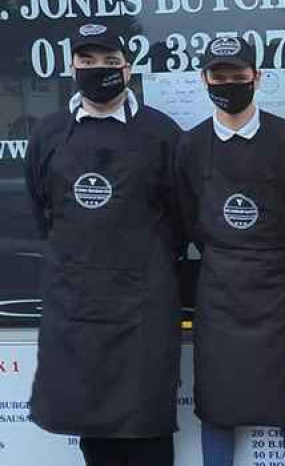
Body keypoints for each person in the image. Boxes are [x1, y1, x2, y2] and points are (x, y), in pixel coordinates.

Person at [23, 23, 182, 466]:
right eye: (87, 61)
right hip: (79, 307)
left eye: (109, 61)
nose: (98, 70)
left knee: (147, 426)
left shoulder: (161, 132)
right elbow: (42, 211)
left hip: (144, 307)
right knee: (95, 430)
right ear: (72, 67)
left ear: (127, 68)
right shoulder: (50, 135)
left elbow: (182, 215)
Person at [174, 37, 285, 466]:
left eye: (239, 76)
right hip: (219, 294)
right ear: (204, 79)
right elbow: (188, 218)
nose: (229, 83)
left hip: (280, 292)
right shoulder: (191, 146)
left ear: (257, 77)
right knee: (218, 406)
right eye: (220, 76)